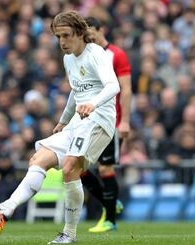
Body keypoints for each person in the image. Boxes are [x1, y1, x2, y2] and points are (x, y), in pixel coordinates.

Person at [0, 11, 120, 244]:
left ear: (80, 33)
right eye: (58, 36)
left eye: (66, 35)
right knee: (38, 159)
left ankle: (69, 235)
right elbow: (76, 90)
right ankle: (7, 208)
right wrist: (63, 120)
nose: (62, 42)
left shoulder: (96, 54)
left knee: (70, 168)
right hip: (78, 121)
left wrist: (93, 103)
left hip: (100, 119)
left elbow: (113, 86)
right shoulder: (68, 58)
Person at [81, 17, 132, 232]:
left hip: (110, 120)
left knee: (105, 167)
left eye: (92, 35)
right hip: (88, 120)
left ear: (102, 31)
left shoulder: (116, 55)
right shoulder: (84, 55)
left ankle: (110, 219)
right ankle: (109, 202)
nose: (89, 39)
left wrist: (125, 121)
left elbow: (126, 89)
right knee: (77, 166)